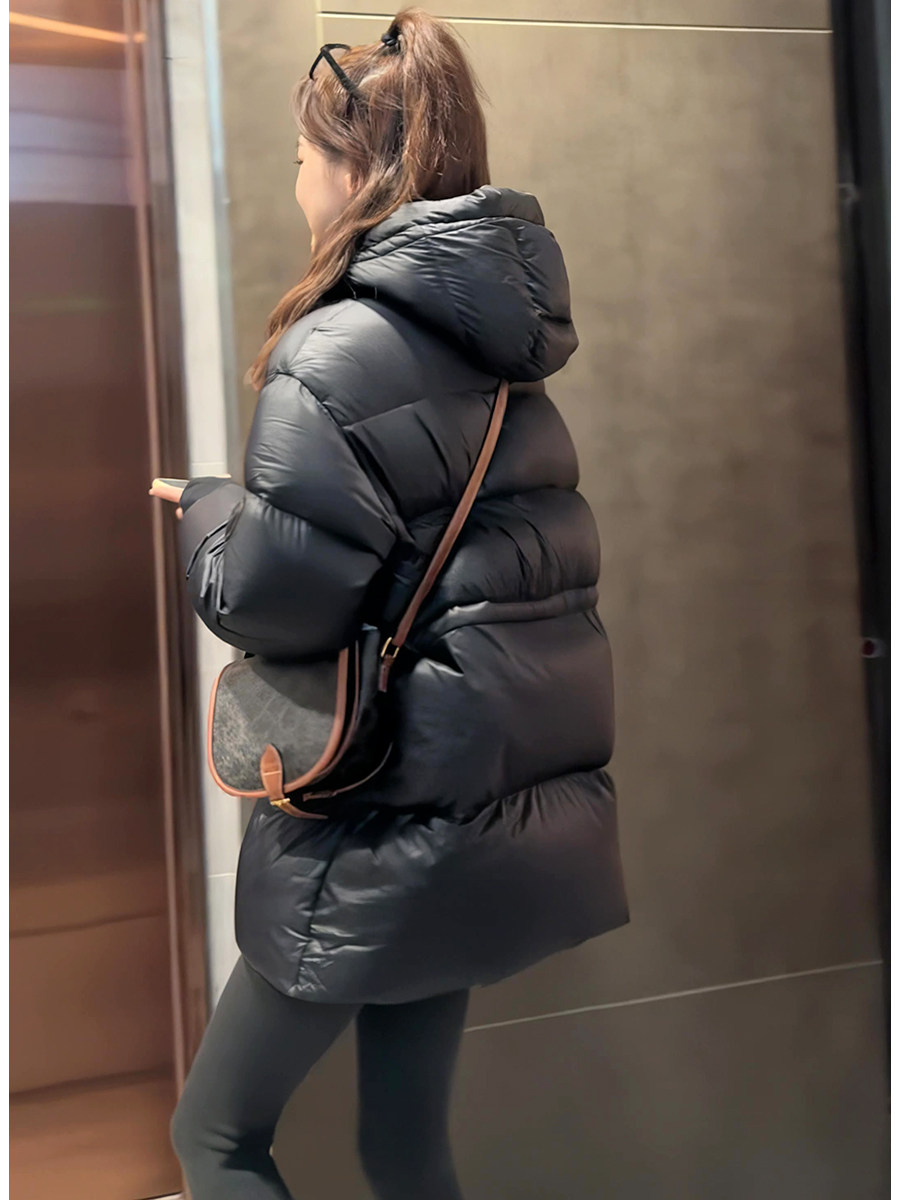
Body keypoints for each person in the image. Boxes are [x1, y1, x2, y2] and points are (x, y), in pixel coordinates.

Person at [154, 8, 629, 1198]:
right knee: (405, 1145)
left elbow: (271, 604)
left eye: (302, 155)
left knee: (215, 1138)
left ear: (353, 169)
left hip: (372, 817)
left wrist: (206, 513)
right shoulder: (502, 352)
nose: (295, 178)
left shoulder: (333, 354)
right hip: (474, 811)